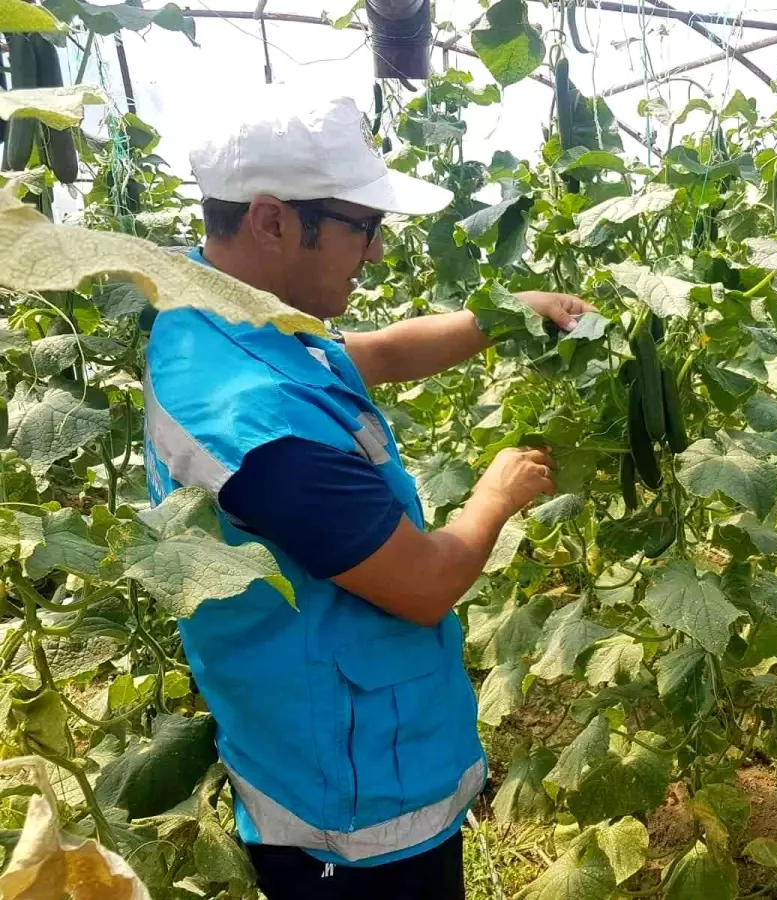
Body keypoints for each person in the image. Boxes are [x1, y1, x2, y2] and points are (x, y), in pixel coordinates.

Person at [142, 88, 592, 899]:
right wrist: (495, 494)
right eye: (363, 227)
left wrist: (507, 314)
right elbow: (423, 585)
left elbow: (370, 354)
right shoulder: (258, 426)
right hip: (352, 810)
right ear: (274, 220)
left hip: (334, 730)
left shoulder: (228, 320)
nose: (377, 253)